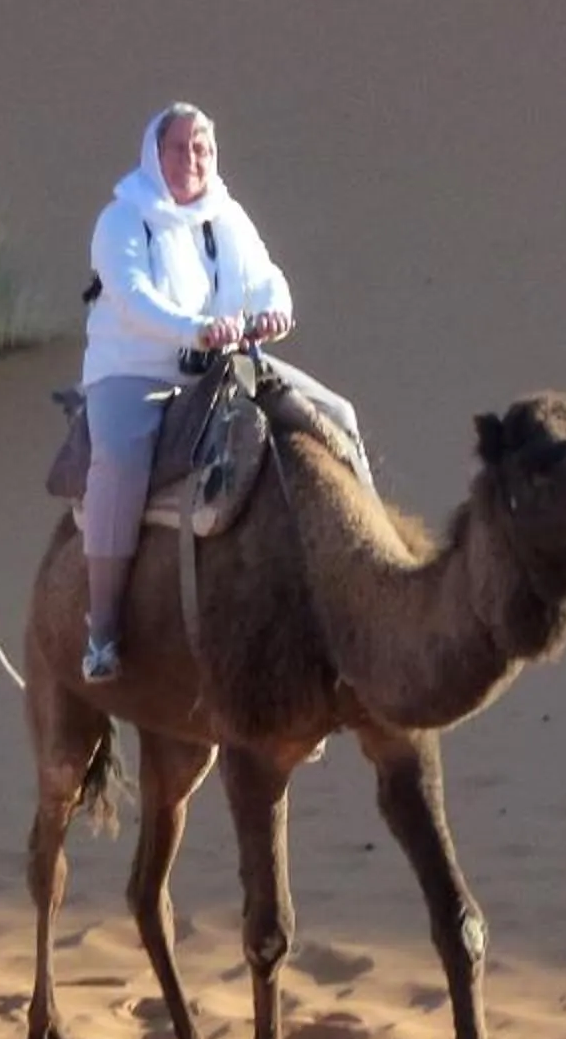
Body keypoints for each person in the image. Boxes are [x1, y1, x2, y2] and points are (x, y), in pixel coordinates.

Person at [75, 102, 367, 682]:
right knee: (121, 461)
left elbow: (266, 277)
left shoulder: (227, 216)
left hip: (225, 365)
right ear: (155, 156)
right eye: (180, 148)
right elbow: (132, 295)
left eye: (202, 148)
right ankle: (102, 631)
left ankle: (366, 571)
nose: (192, 159)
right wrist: (195, 329)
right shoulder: (123, 220)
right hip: (137, 371)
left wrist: (273, 313)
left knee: (335, 414)